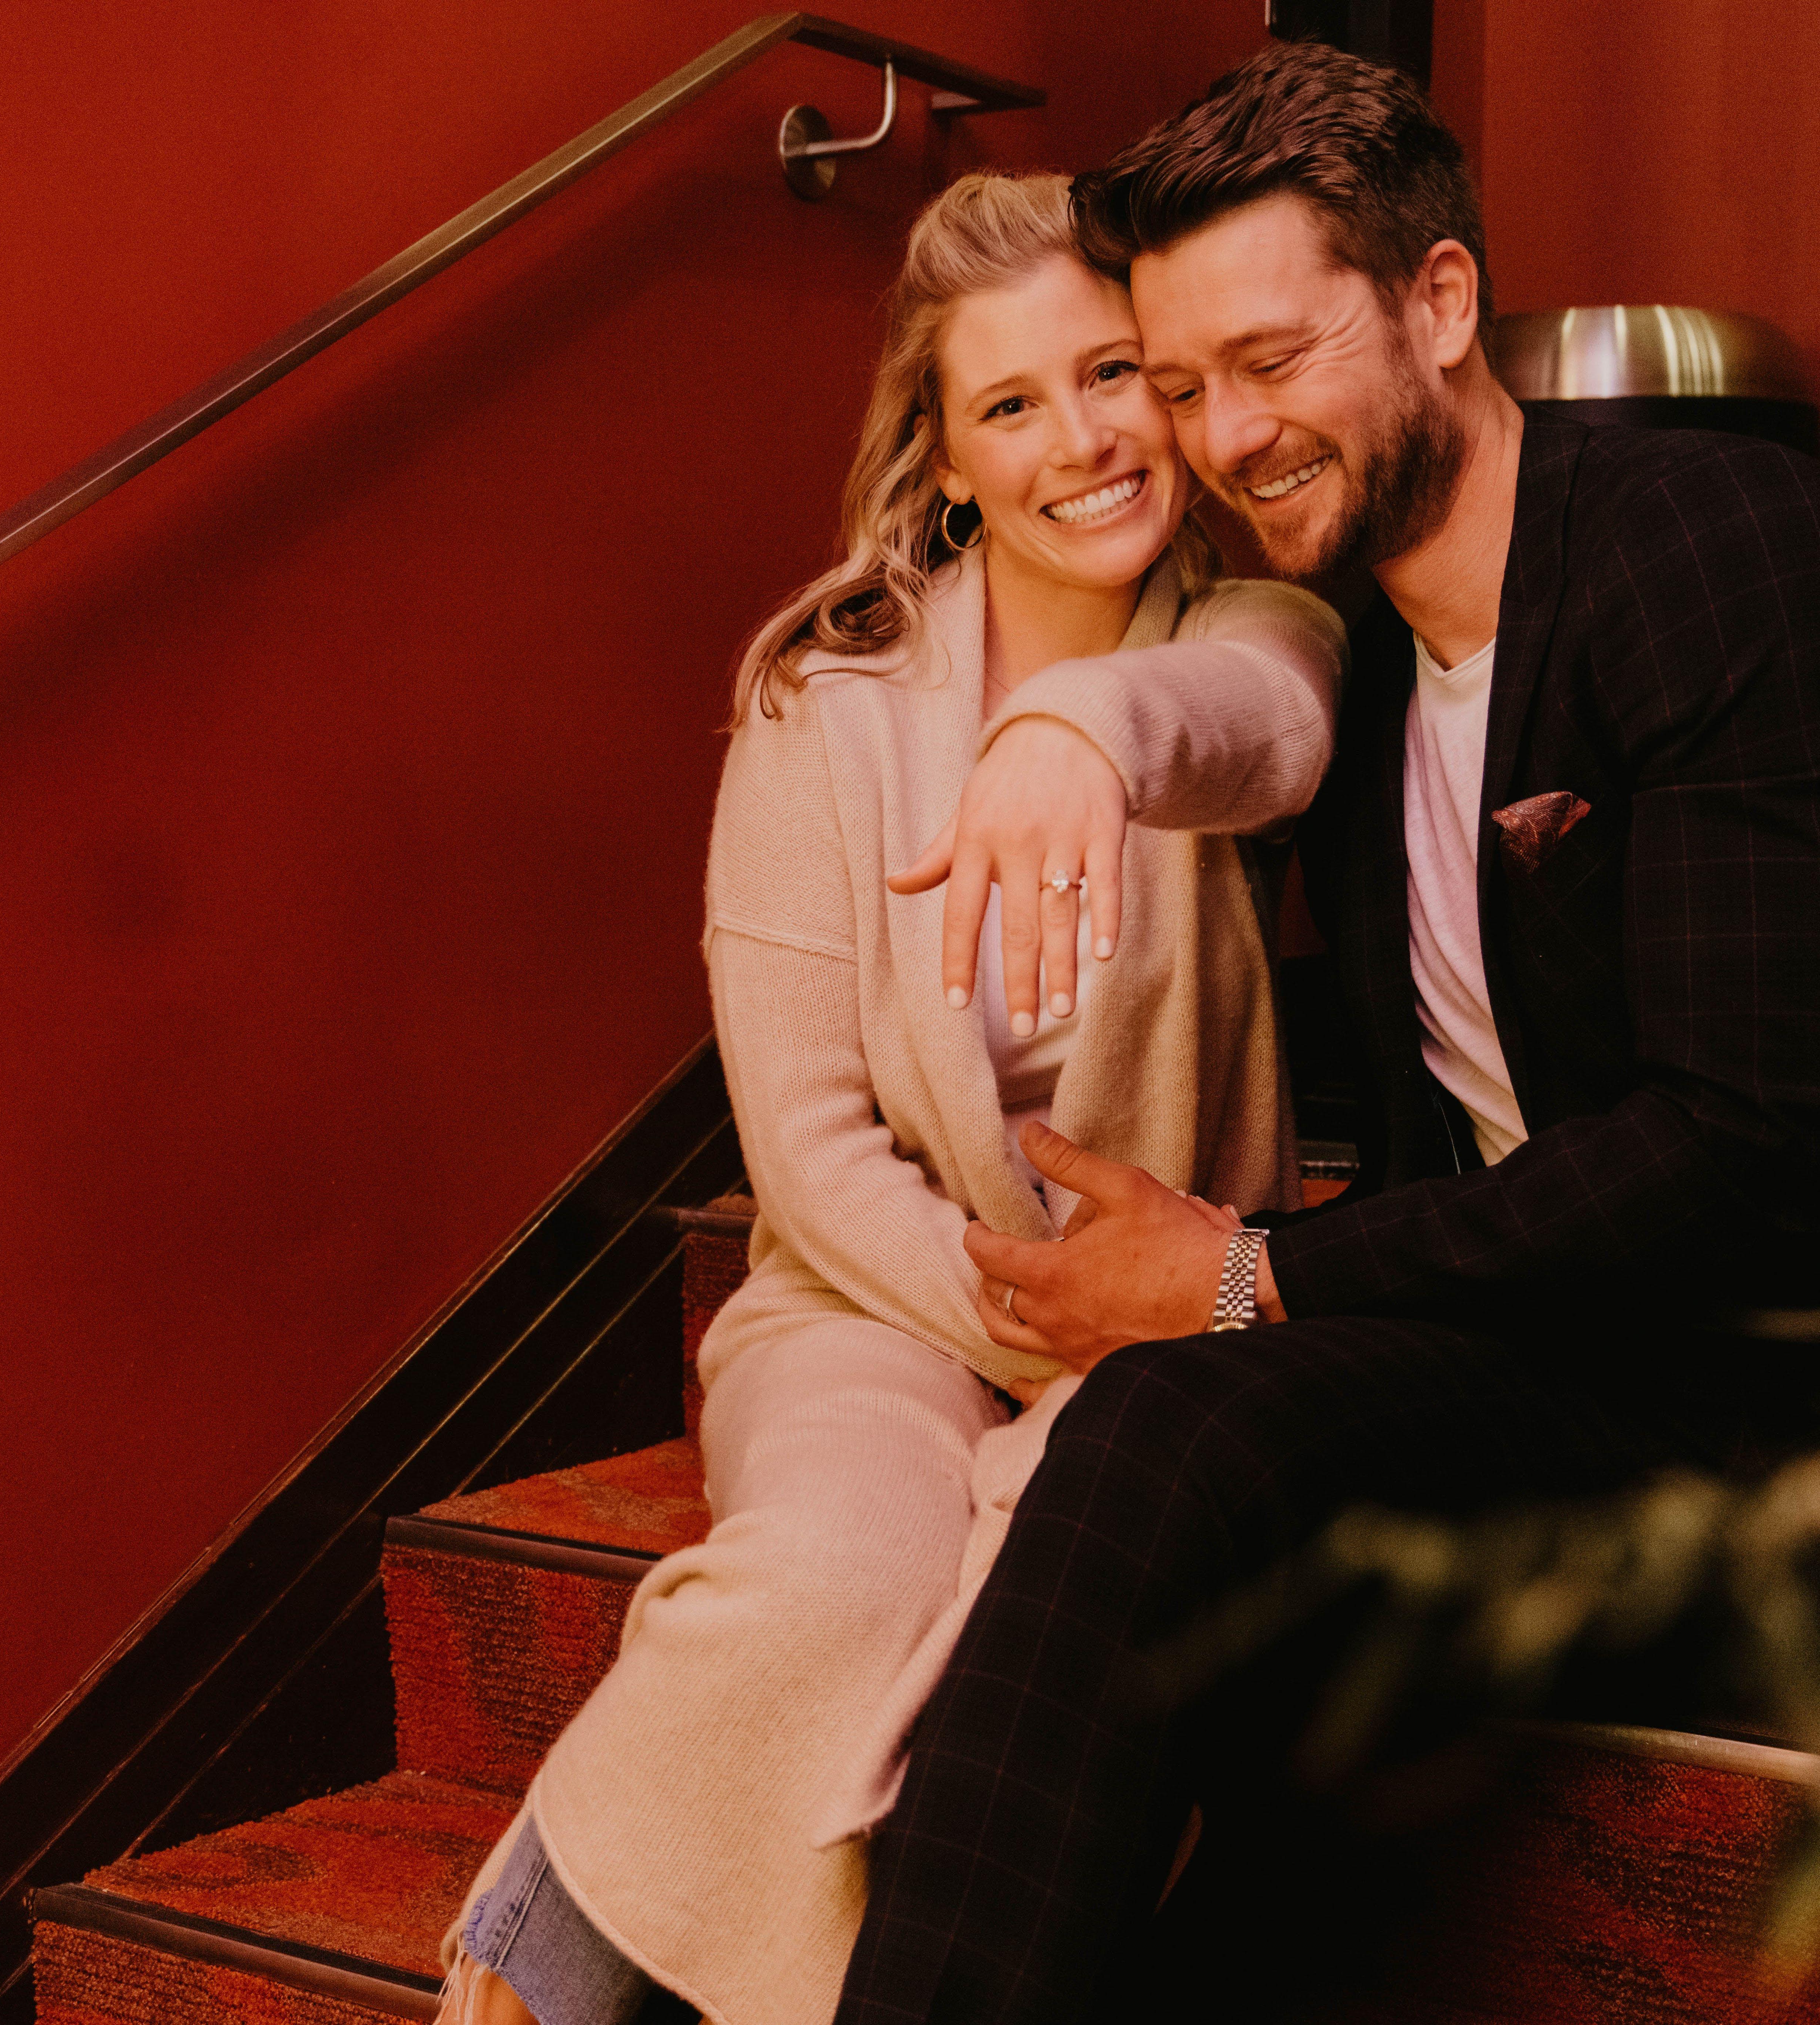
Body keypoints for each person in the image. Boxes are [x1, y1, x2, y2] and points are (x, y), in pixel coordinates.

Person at [834, 42, 1820, 2025]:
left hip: (1754, 1390)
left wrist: (1250, 1274)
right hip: (1553, 1363)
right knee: (1180, 1492)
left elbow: (1745, 1145)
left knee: (1193, 1447)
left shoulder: (1703, 544)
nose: (1225, 435)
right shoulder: (1349, 659)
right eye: (1183, 382)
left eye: (1272, 360)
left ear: (1439, 304)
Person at [435, 170, 1346, 2025]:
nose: (1082, 441)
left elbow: (1266, 728)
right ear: (946, 461)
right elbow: (809, 1142)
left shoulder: (1261, 624)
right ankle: (542, 1950)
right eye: (1011, 403)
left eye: (1111, 373)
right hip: (866, 1295)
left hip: (1172, 1325)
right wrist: (1033, 1317)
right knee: (836, 1578)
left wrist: (1079, 734)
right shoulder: (825, 700)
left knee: (1031, 1631)